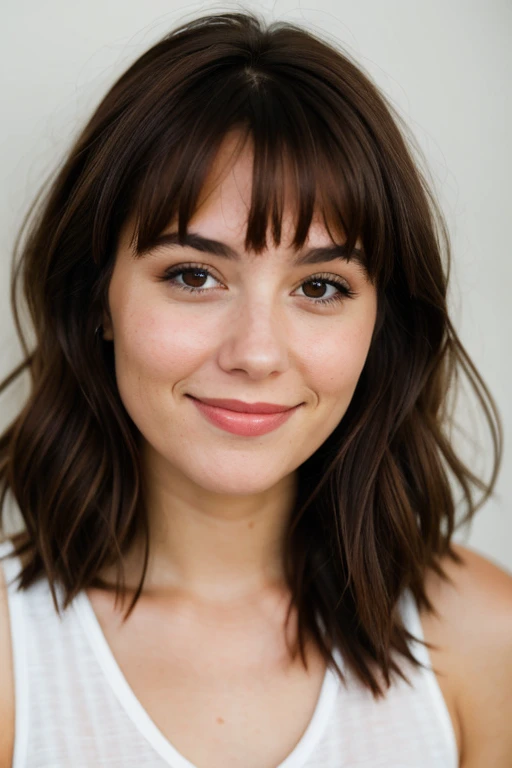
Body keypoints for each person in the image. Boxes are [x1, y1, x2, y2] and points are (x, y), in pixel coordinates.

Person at [0, 10, 511, 768]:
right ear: (94, 301)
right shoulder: (13, 655)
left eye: (322, 287)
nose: (257, 353)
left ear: (381, 327)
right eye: (193, 275)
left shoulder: (484, 637)